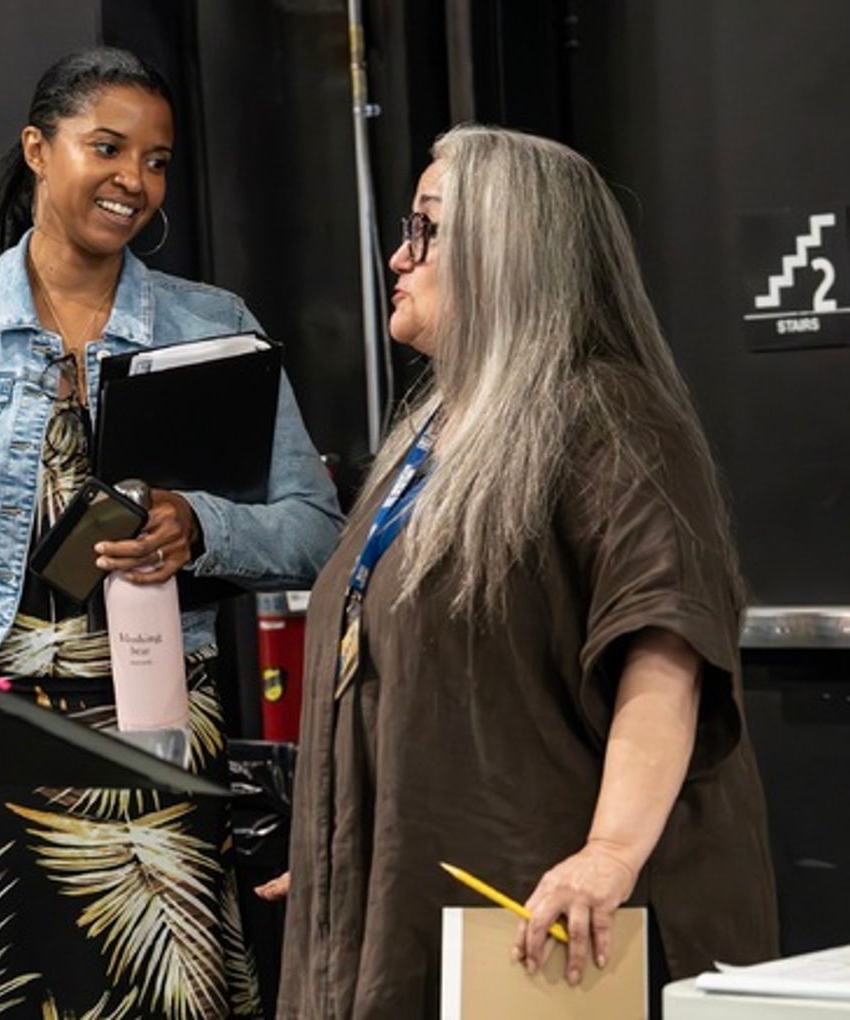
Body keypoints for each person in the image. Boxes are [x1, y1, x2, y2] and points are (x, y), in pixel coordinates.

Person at [0, 46, 343, 1019]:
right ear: (38, 149)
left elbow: (314, 533)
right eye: (106, 148)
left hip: (157, 751)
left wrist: (197, 525)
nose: (135, 182)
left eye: (156, 160)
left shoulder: (212, 327)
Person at [272, 125, 778, 1017]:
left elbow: (664, 650)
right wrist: (340, 835)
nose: (400, 254)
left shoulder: (609, 419)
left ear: (510, 250)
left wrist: (609, 855)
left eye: (427, 230)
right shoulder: (437, 436)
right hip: (423, 912)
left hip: (551, 944)